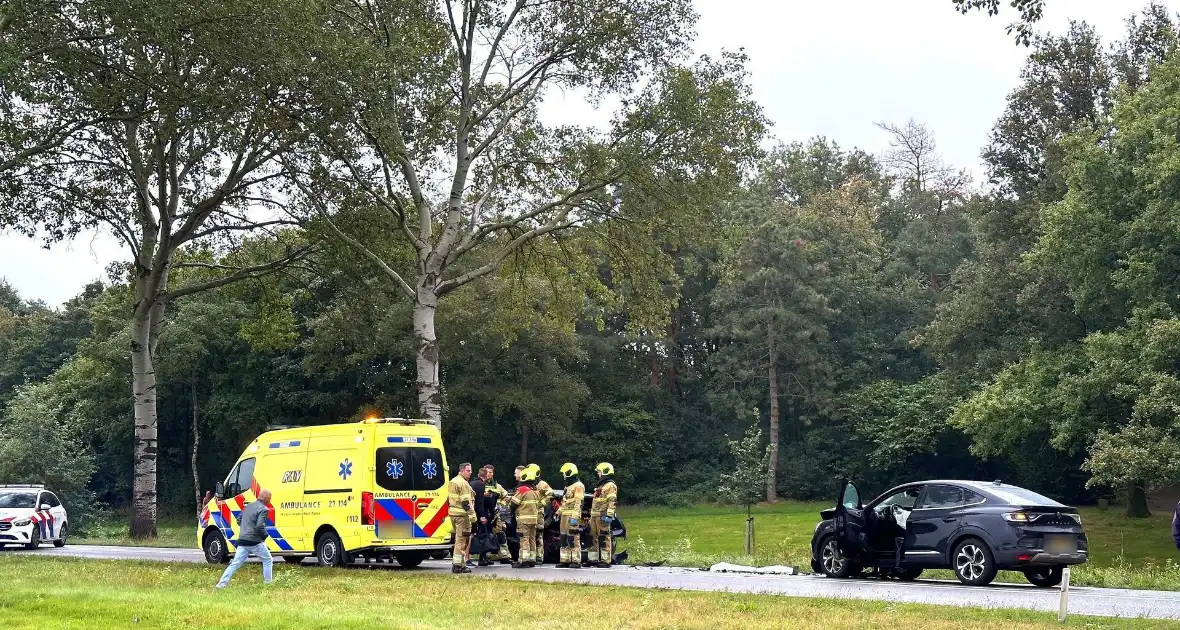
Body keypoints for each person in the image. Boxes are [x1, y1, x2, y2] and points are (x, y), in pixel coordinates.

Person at [214, 489, 275, 588]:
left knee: (235, 564)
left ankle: (221, 585)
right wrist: (265, 535)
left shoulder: (248, 506)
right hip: (255, 542)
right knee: (268, 560)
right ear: (267, 499)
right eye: (269, 498)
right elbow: (260, 526)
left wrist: (246, 528)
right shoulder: (263, 509)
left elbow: (238, 521)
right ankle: (268, 584)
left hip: (242, 540)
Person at [447, 462, 477, 574]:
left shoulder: (453, 481)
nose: (470, 473)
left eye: (471, 470)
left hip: (453, 514)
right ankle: (458, 565)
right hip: (462, 516)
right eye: (468, 470)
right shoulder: (463, 483)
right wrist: (473, 517)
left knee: (459, 539)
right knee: (463, 540)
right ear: (462, 470)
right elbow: (466, 503)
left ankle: (458, 564)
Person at [510, 467, 542, 568]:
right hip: (534, 519)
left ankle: (523, 561)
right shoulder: (536, 490)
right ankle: (532, 559)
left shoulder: (522, 489)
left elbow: (513, 503)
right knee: (532, 539)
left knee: (524, 539)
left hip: (523, 519)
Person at [589, 462, 618, 568]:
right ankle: (593, 559)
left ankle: (605, 560)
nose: (598, 474)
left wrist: (609, 515)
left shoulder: (610, 486)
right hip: (595, 515)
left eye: (599, 472)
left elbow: (612, 501)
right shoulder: (600, 486)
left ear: (605, 472)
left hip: (603, 515)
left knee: (604, 537)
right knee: (592, 537)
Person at [557, 462, 585, 568]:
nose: (563, 475)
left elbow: (579, 503)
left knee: (573, 538)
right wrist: (558, 512)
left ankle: (576, 561)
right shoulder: (567, 486)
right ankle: (565, 560)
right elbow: (564, 502)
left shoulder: (578, 486)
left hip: (572, 516)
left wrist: (575, 516)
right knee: (563, 538)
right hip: (564, 515)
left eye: (564, 473)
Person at [527, 463, 553, 565]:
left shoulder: (542, 484)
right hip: (528, 513)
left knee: (538, 535)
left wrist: (541, 503)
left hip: (538, 513)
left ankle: (538, 557)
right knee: (528, 535)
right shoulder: (527, 483)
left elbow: (551, 495)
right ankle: (529, 556)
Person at [471, 464, 496, 566]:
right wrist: (482, 516)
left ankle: (483, 557)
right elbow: (480, 502)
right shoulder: (481, 484)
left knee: (481, 534)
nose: (490, 474)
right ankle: (481, 557)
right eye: (489, 473)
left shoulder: (472, 483)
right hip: (480, 513)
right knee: (482, 535)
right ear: (485, 475)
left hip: (475, 513)